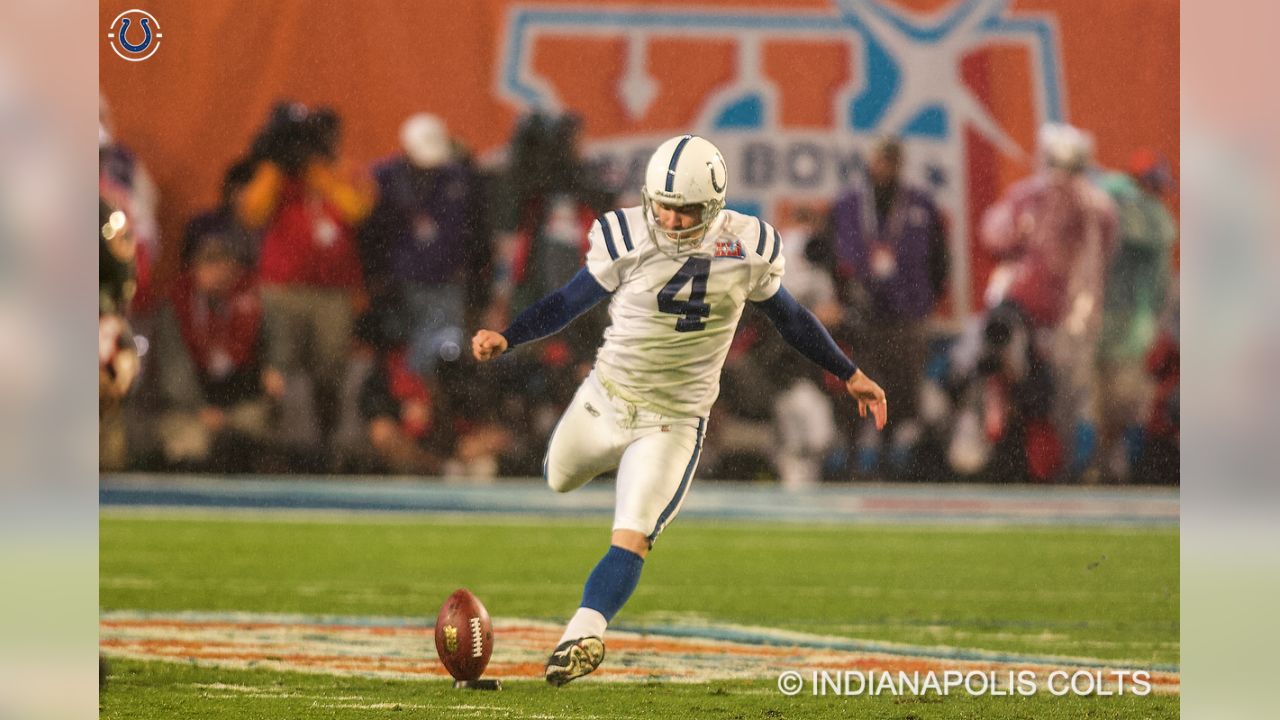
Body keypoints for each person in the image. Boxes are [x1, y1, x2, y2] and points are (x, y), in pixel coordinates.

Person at [470, 135, 887, 685]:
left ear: (713, 205)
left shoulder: (748, 244)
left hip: (673, 420)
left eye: (683, 208)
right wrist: (509, 336)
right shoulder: (626, 233)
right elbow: (570, 301)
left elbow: (790, 317)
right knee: (558, 478)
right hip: (606, 397)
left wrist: (848, 372)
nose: (669, 217)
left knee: (633, 533)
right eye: (662, 204)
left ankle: (583, 632)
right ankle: (602, 507)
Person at [807, 136, 949, 477]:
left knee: (901, 388)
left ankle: (889, 457)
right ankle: (853, 454)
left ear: (900, 163)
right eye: (880, 159)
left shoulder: (920, 205)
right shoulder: (848, 204)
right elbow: (825, 254)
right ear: (871, 161)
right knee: (853, 384)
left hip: (905, 313)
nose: (885, 166)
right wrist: (838, 298)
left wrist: (924, 300)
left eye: (891, 160)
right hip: (859, 313)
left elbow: (940, 261)